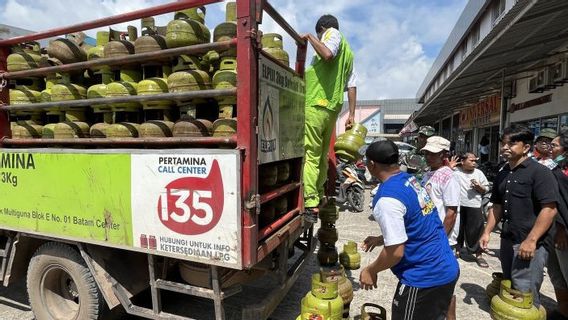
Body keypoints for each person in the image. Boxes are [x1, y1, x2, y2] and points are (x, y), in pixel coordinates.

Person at [360, 140, 459, 320]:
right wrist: (382, 238)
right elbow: (416, 222)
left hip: (424, 278)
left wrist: (371, 270)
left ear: (371, 164)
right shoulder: (409, 180)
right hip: (446, 267)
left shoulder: (386, 199)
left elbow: (395, 253)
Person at [480, 125, 558, 311]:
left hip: (530, 245)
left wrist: (531, 240)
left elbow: (550, 209)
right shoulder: (503, 173)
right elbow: (497, 206)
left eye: (512, 143)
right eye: (503, 143)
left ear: (526, 147)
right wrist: (487, 232)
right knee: (510, 288)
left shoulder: (540, 172)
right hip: (508, 240)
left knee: (525, 295)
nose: (505, 147)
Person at [301, 14, 356, 223]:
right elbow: (352, 85)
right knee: (323, 153)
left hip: (317, 104)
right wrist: (351, 114)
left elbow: (327, 53)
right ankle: (319, 193)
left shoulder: (332, 34)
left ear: (322, 28)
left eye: (319, 34)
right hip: (332, 108)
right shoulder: (349, 53)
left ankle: (310, 202)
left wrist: (309, 37)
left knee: (311, 154)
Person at [421, 136, 461, 249]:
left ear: (444, 155)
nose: (428, 157)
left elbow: (452, 212)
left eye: (433, 153)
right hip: (428, 234)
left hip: (441, 239)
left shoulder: (449, 177)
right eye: (426, 153)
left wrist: (440, 238)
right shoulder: (428, 174)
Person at [454, 152, 490, 267]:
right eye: (471, 160)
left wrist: (480, 187)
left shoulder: (478, 173)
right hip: (458, 205)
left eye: (475, 161)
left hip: (474, 205)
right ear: (463, 161)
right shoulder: (455, 172)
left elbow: (486, 189)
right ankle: (457, 250)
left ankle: (478, 254)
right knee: (457, 228)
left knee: (476, 230)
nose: (474, 163)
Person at [547, 130, 568, 320]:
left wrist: (561, 228)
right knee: (556, 273)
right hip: (552, 229)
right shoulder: (556, 168)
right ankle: (563, 309)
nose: (550, 148)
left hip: (563, 232)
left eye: (554, 145)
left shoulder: (563, 173)